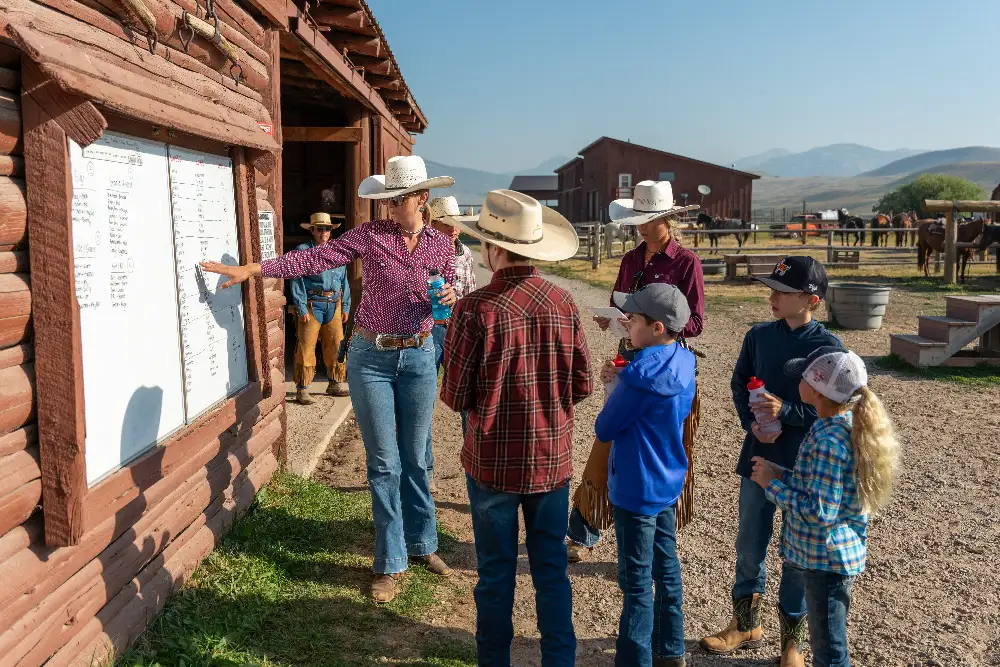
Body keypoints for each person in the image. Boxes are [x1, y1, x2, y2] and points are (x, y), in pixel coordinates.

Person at [201, 155, 457, 604]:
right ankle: (390, 560)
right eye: (389, 201)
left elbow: (447, 289)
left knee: (417, 457)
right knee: (384, 463)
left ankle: (423, 543)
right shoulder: (369, 236)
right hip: (370, 358)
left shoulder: (440, 244)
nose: (392, 208)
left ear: (421, 198)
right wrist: (253, 270)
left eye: (400, 200)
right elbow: (316, 258)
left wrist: (450, 295)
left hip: (418, 355)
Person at [440, 190, 591, 667]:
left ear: (492, 249)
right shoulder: (563, 302)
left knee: (495, 571)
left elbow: (454, 395)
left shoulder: (474, 309)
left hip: (490, 460)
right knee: (551, 569)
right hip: (550, 458)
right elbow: (583, 383)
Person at [700, 256, 844, 667]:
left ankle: (791, 645)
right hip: (758, 457)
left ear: (811, 299)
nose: (772, 298)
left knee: (796, 555)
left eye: (782, 292)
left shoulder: (829, 349)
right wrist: (752, 423)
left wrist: (786, 413)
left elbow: (834, 409)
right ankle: (745, 624)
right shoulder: (758, 336)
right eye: (772, 289)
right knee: (749, 546)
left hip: (804, 465)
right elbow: (739, 381)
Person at [568, 180, 704, 564]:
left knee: (661, 452)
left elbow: (694, 322)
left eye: (648, 219)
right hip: (629, 361)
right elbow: (617, 301)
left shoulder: (686, 263)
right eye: (638, 220)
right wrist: (615, 320)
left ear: (666, 218)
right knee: (606, 445)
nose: (641, 227)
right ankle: (586, 529)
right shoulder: (630, 260)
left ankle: (657, 542)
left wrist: (657, 325)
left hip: (665, 368)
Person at [750, 347, 900, 667]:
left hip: (826, 562)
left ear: (818, 390)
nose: (797, 383)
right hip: (827, 558)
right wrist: (784, 474)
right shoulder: (840, 425)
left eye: (803, 377)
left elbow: (820, 511)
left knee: (829, 650)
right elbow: (821, 486)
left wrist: (770, 484)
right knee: (827, 640)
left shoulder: (829, 440)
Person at [596, 283, 696, 667]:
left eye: (634, 319)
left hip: (635, 485)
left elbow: (605, 429)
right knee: (666, 568)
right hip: (667, 479)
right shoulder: (683, 361)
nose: (628, 323)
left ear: (656, 327)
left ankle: (635, 659)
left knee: (636, 582)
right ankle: (671, 650)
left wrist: (614, 386)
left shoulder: (639, 377)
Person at [425, 196, 477, 491]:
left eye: (457, 223)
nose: (455, 229)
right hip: (431, 328)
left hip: (460, 330)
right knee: (422, 400)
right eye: (449, 223)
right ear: (435, 223)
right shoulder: (423, 251)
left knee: (468, 400)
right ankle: (426, 470)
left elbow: (471, 292)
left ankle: (474, 466)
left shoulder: (466, 254)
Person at [290, 212, 351, 404]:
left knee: (335, 344)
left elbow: (344, 281)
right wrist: (300, 306)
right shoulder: (303, 250)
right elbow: (296, 279)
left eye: (327, 228)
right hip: (311, 304)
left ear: (331, 230)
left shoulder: (338, 252)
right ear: (313, 231)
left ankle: (335, 382)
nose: (323, 232)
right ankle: (302, 389)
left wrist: (346, 305)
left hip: (334, 303)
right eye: (319, 228)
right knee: (306, 345)